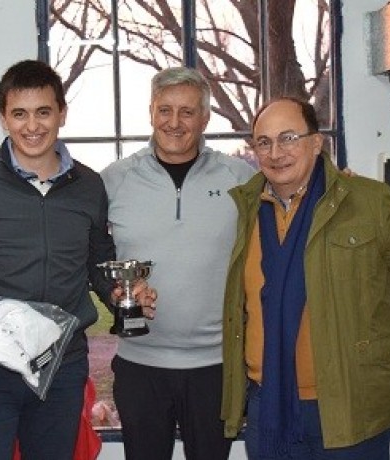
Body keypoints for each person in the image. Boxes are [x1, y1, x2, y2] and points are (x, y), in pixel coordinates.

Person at [0, 59, 154, 460]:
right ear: (3, 118)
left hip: (61, 367)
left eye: (43, 112)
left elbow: (98, 262)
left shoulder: (89, 185)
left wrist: (122, 293)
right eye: (19, 114)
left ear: (62, 114)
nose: (32, 126)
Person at [222, 97, 390, 459]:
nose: (275, 153)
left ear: (316, 142)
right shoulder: (246, 208)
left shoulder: (369, 201)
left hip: (349, 405)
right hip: (268, 404)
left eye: (288, 138)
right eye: (264, 142)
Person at [100, 66, 255, 460]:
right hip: (139, 366)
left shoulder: (241, 178)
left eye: (187, 112)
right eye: (165, 110)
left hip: (216, 367)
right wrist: (114, 294)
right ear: (151, 112)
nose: (174, 122)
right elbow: (90, 257)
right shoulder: (114, 180)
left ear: (205, 118)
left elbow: (288, 216)